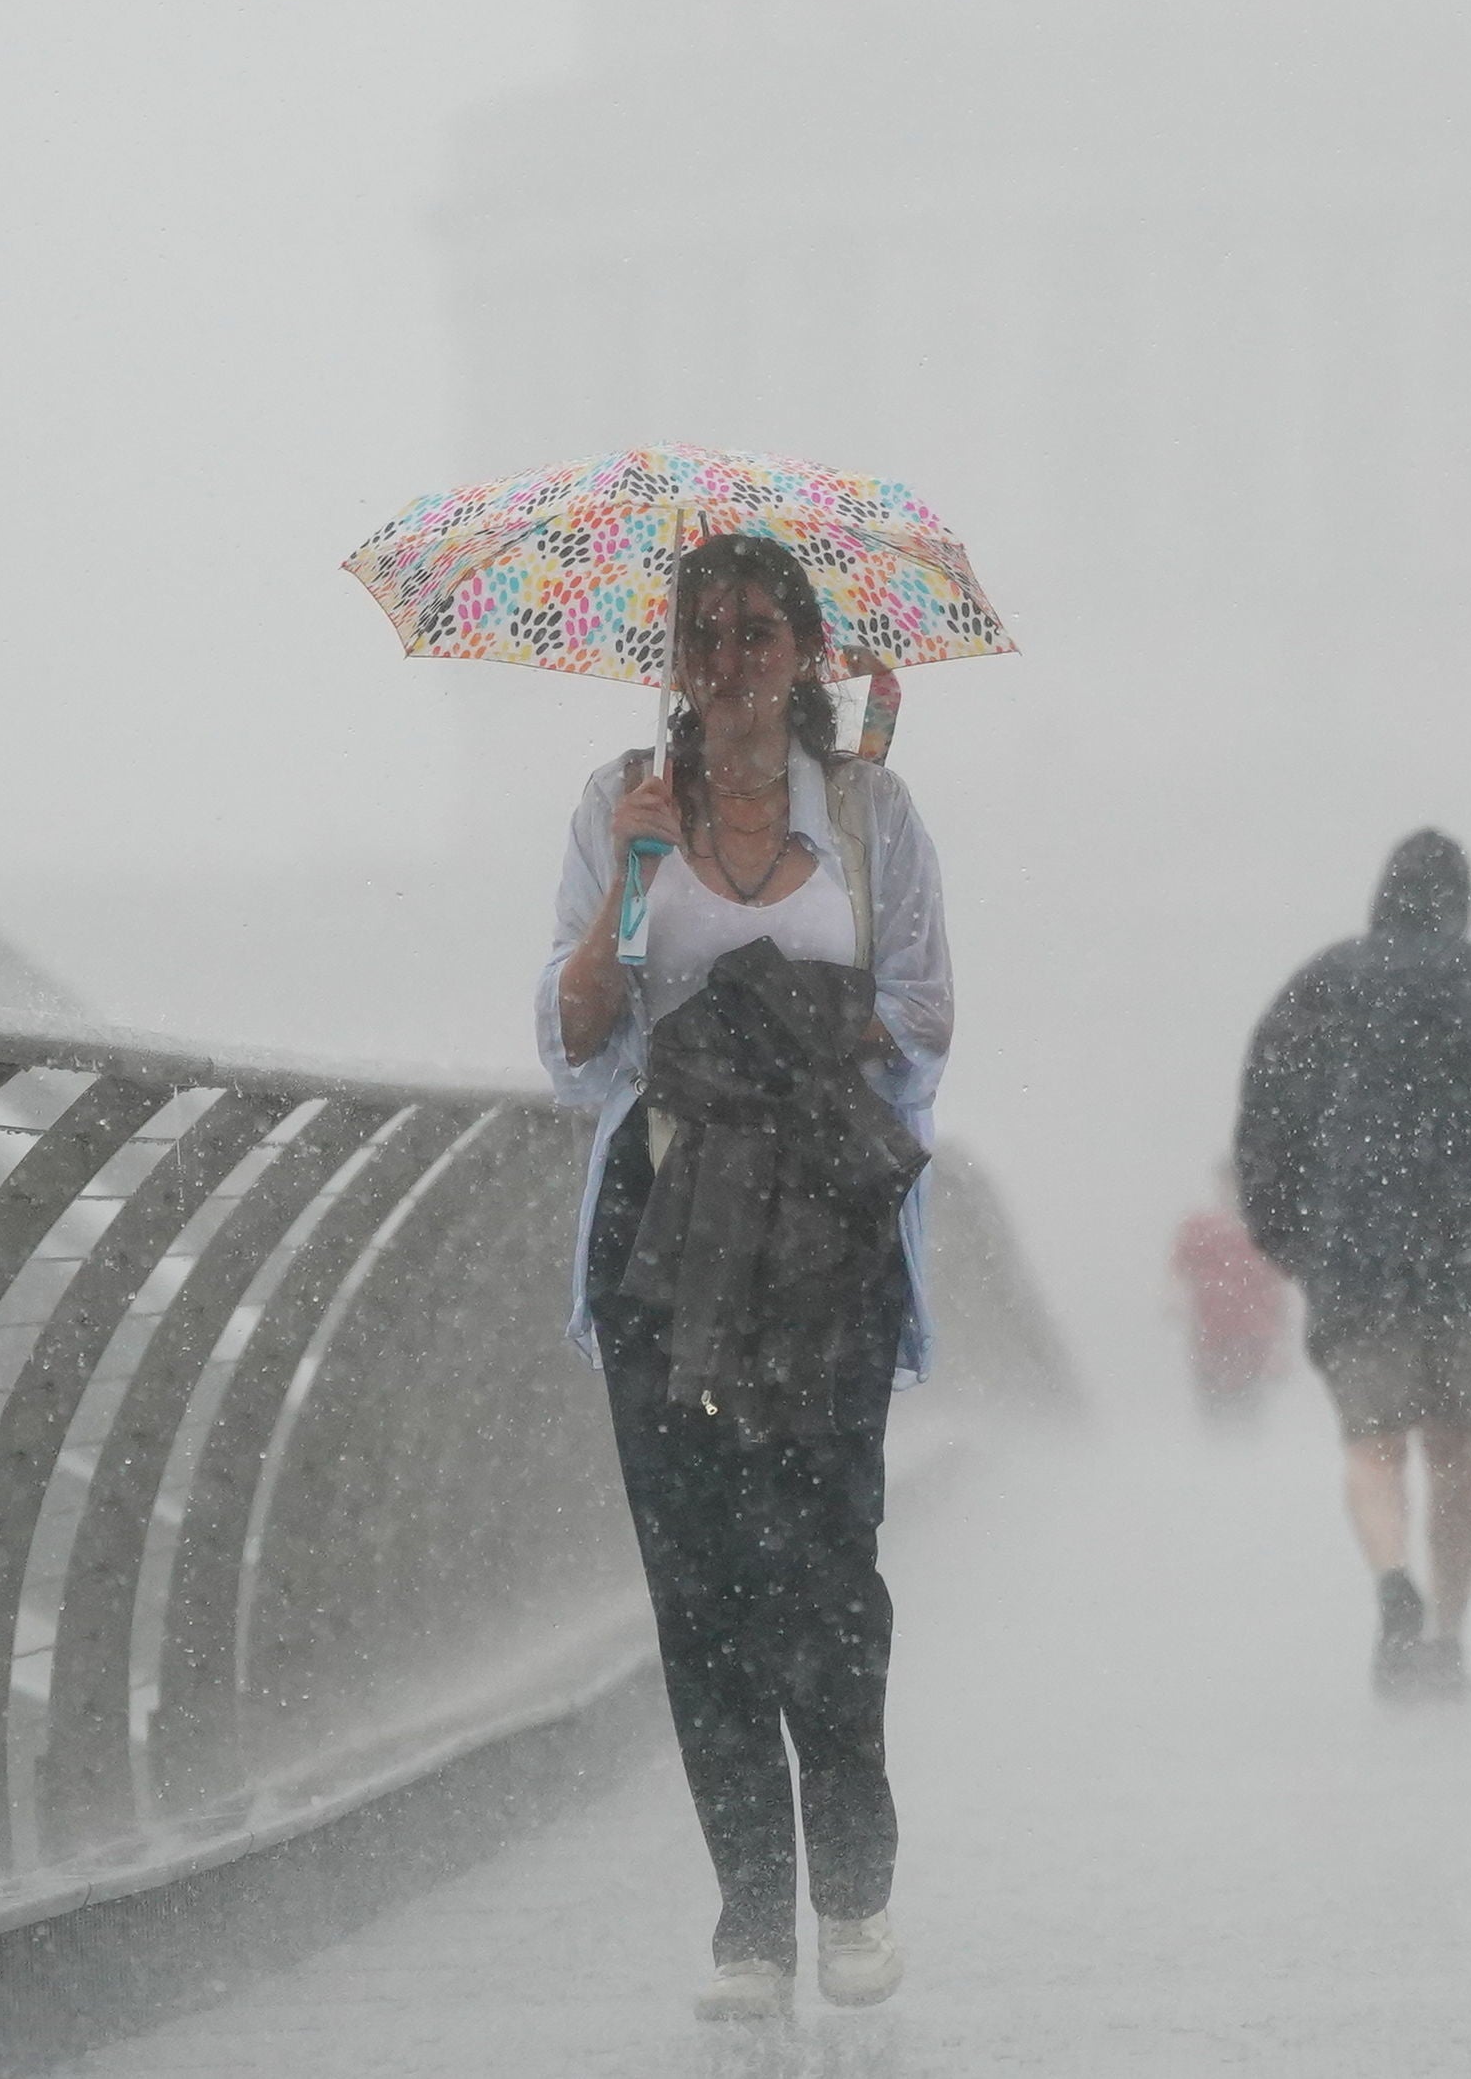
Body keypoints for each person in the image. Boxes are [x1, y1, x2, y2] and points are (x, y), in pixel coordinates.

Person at [536, 532, 953, 2023]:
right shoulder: (619, 806)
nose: (729, 659)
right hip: (664, 1232)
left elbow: (922, 1017)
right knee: (699, 1579)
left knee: (828, 1565)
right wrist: (629, 888)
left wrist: (789, 1036)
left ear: (806, 653)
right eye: (702, 634)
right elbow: (575, 1033)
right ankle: (750, 1919)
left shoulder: (871, 812)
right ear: (673, 658)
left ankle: (853, 1882)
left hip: (828, 1235)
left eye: (758, 629)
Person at [1235, 830, 1471, 1700]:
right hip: (1467, 1249)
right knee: (1456, 1448)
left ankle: (1393, 1581)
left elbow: (1267, 1117)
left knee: (1372, 1445)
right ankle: (1450, 1638)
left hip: (1354, 1246)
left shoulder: (1325, 983)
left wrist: (1287, 1230)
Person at [1170, 1168, 1292, 1420]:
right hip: (1212, 1338)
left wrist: (1281, 1343)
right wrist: (1174, 1302)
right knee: (1215, 1409)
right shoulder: (1200, 1228)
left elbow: (1278, 1290)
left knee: (1247, 1409)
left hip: (1251, 1340)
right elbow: (1177, 1273)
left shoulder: (1265, 1229)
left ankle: (1245, 1453)